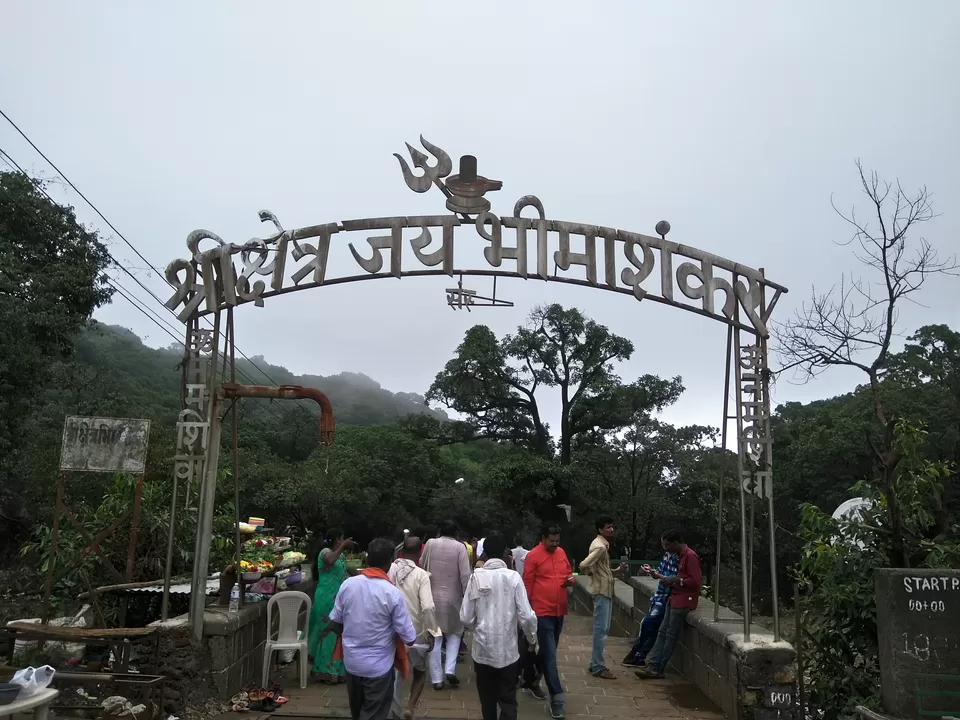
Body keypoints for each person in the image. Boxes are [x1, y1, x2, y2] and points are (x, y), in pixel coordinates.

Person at [324, 538, 417, 720]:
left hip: (351, 663)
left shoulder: (348, 585)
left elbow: (334, 622)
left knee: (358, 712)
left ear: (367, 559)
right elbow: (409, 637)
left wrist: (354, 634)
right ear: (390, 562)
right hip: (378, 667)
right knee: (374, 713)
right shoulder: (392, 593)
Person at [460, 532, 538, 720]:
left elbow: (465, 617)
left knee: (487, 701)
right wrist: (532, 638)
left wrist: (477, 626)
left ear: (484, 554)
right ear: (504, 553)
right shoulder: (513, 578)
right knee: (508, 698)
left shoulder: (475, 578)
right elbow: (527, 616)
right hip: (508, 651)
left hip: (482, 649)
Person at [522, 524, 574, 719]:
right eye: (551, 541)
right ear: (543, 538)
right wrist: (526, 611)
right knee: (551, 655)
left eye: (557, 541)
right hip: (541, 611)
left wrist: (570, 580)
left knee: (546, 652)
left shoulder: (561, 553)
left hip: (559, 610)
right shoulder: (533, 555)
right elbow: (527, 582)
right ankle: (557, 697)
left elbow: (569, 573)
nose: (555, 544)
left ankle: (530, 679)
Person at [635, 530, 701, 681]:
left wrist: (677, 581)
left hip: (684, 600)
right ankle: (653, 664)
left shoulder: (691, 556)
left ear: (676, 543)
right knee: (662, 632)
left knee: (670, 634)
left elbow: (696, 582)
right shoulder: (679, 556)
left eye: (667, 545)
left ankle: (658, 667)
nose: (665, 549)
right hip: (674, 597)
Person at [389, 537, 441, 720]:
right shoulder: (421, 575)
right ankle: (410, 706)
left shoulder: (391, 570)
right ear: (420, 552)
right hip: (415, 633)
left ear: (402, 551)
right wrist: (432, 631)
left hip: (393, 632)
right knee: (420, 672)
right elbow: (427, 607)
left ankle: (394, 712)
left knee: (394, 674)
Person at [419, 519, 471, 690]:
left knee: (435, 637)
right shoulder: (460, 547)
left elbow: (421, 564)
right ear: (456, 533)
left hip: (431, 597)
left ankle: (436, 679)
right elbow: (465, 575)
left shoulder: (430, 543)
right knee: (455, 634)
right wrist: (467, 596)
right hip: (453, 598)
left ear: (439, 530)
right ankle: (449, 669)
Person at [578, 516, 626, 680]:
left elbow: (601, 569)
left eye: (612, 527)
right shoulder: (600, 547)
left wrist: (616, 570)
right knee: (601, 630)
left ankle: (595, 663)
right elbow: (584, 565)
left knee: (602, 629)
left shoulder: (600, 544)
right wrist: (588, 572)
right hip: (602, 591)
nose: (611, 530)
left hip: (604, 589)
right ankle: (598, 666)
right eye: (608, 527)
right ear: (600, 529)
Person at [308, 528, 357, 684]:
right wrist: (343, 547)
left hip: (337, 599)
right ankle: (323, 670)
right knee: (328, 630)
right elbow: (330, 561)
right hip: (325, 598)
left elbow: (349, 570)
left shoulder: (340, 556)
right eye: (342, 539)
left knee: (337, 632)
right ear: (337, 540)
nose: (343, 541)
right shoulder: (325, 552)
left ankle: (334, 670)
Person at [620, 545, 679, 667]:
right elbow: (660, 575)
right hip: (659, 596)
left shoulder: (677, 558)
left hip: (666, 598)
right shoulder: (666, 556)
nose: (664, 547)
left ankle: (636, 652)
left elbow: (672, 579)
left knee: (648, 624)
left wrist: (657, 575)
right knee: (653, 629)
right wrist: (652, 572)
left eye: (666, 544)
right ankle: (639, 656)